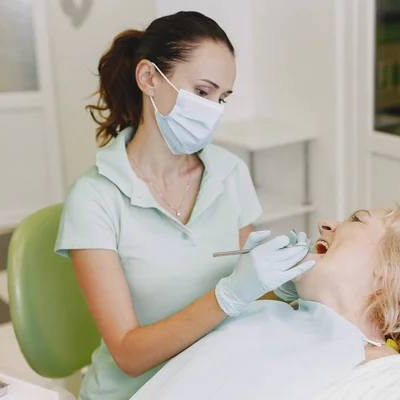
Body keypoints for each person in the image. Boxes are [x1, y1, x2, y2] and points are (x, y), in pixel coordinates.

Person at [54, 11, 314, 400]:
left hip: (216, 380)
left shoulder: (230, 173)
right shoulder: (94, 199)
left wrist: (281, 286)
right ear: (149, 79)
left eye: (222, 98)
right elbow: (128, 353)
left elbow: (248, 294)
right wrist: (227, 296)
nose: (215, 110)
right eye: (202, 92)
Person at [132, 206, 400, 400]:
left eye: (357, 220)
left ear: (389, 271)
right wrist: (242, 294)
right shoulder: (267, 314)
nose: (326, 224)